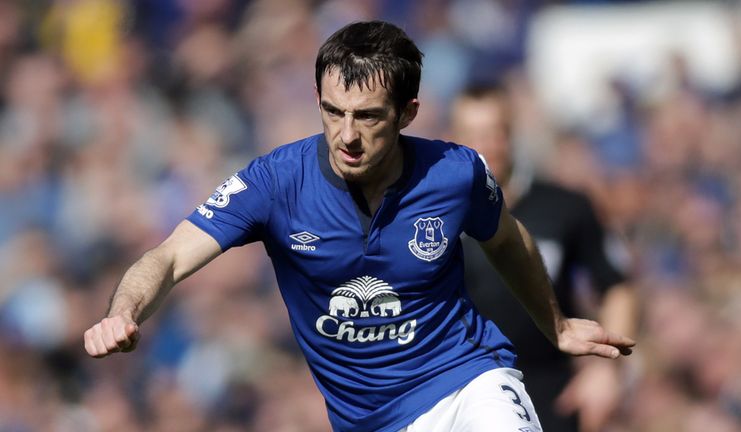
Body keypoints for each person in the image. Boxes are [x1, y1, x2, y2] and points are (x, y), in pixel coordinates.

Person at [84, 21, 634, 432]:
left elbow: (507, 239)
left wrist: (556, 324)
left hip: (468, 381)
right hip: (370, 420)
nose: (346, 135)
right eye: (332, 111)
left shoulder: (456, 172)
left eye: (368, 116)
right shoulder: (276, 182)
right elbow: (170, 256)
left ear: (408, 113)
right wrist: (122, 311)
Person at [450, 83, 637, 432]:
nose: (486, 145)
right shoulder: (430, 216)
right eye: (473, 134)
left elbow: (616, 286)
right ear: (453, 138)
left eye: (495, 132)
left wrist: (607, 374)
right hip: (455, 392)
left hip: (548, 392)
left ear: (512, 132)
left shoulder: (565, 207)